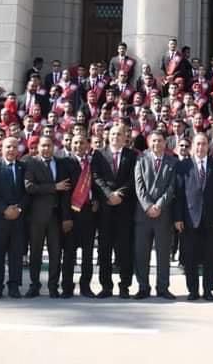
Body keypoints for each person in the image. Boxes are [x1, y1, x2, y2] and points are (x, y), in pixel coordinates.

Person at [175, 133, 213, 300]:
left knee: (210, 258)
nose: (200, 147)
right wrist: (178, 218)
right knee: (190, 258)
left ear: (208, 146)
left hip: (212, 220)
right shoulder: (183, 166)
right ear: (192, 147)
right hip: (189, 219)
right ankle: (193, 290)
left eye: (203, 144)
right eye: (197, 144)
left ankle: (208, 290)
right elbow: (179, 194)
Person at [24, 134, 73, 297]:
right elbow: (29, 187)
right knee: (35, 252)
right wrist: (53, 187)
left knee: (55, 253)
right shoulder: (31, 163)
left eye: (49, 145)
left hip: (56, 216)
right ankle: (34, 285)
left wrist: (66, 217)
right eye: (43, 145)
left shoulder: (61, 163)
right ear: (38, 147)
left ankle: (53, 286)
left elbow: (66, 191)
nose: (46, 149)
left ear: (54, 147)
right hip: (37, 216)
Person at [91, 124, 136, 298]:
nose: (115, 137)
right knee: (104, 250)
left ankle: (125, 286)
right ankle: (106, 286)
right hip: (105, 208)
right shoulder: (99, 154)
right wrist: (109, 194)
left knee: (125, 250)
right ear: (107, 136)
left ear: (125, 137)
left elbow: (134, 178)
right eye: (113, 134)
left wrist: (120, 194)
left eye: (119, 134)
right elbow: (96, 177)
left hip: (125, 208)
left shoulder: (132, 155)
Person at [133, 130, 177, 299]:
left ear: (165, 143)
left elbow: (172, 187)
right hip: (143, 215)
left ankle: (163, 287)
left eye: (159, 141)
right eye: (153, 141)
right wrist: (148, 206)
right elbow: (139, 186)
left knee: (163, 254)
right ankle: (143, 287)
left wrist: (158, 205)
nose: (156, 144)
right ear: (149, 143)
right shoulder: (141, 159)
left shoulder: (173, 161)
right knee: (141, 253)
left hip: (163, 214)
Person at [0, 137, 27, 299]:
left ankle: (14, 286)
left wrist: (19, 208)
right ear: (1, 149)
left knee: (16, 256)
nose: (11, 150)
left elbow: (28, 191)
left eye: (14, 147)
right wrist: (4, 209)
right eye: (8, 147)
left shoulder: (23, 167)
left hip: (18, 218)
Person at [64, 132, 95, 297]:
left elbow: (97, 185)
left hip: (89, 213)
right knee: (69, 252)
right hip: (72, 212)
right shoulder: (65, 163)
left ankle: (85, 286)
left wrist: (96, 200)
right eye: (75, 143)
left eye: (82, 143)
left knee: (88, 253)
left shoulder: (92, 163)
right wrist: (66, 217)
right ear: (71, 145)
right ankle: (67, 287)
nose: (78, 146)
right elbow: (63, 193)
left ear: (87, 145)